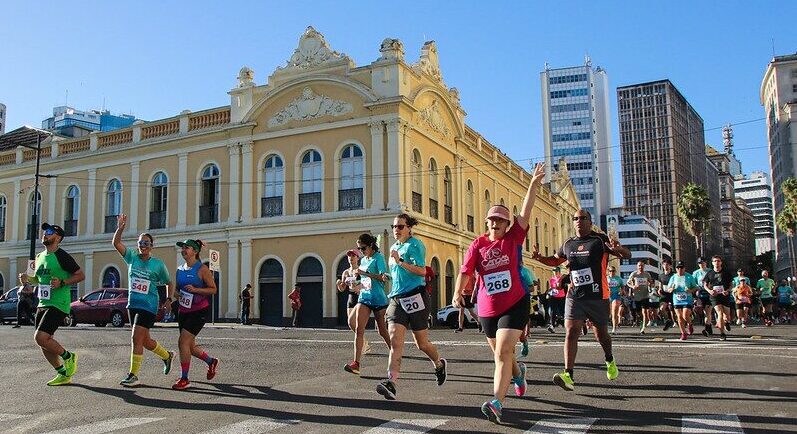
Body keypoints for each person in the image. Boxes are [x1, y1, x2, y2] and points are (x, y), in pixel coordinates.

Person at [454, 162, 544, 424]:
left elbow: (526, 210)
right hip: (487, 307)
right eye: (492, 219)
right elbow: (465, 270)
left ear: (507, 224)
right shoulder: (477, 244)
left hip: (515, 302)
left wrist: (533, 184)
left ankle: (496, 403)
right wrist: (457, 292)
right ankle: (518, 374)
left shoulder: (514, 237)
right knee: (501, 355)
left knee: (503, 353)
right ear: (487, 222)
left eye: (500, 220)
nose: (495, 223)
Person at [533, 209, 631, 392]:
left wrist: (619, 249)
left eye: (583, 218)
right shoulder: (568, 244)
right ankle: (568, 374)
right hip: (575, 295)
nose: (579, 221)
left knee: (601, 334)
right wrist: (540, 258)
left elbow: (626, 255)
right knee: (571, 332)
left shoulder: (599, 240)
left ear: (590, 221)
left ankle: (609, 359)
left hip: (597, 295)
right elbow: (555, 260)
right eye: (576, 218)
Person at [376, 214, 447, 400]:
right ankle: (391, 382)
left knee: (421, 344)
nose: (396, 230)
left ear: (409, 228)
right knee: (395, 340)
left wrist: (400, 261)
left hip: (416, 295)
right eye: (393, 227)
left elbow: (421, 271)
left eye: (400, 226)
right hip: (397, 299)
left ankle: (439, 364)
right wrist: (388, 277)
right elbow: (397, 274)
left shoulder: (415, 245)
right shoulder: (393, 248)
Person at [112, 214, 175, 387]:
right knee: (145, 341)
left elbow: (169, 282)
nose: (143, 246)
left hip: (149, 305)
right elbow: (116, 244)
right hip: (133, 304)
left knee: (135, 337)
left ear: (152, 246)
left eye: (146, 243)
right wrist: (120, 229)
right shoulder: (131, 257)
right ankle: (167, 356)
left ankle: (133, 375)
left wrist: (168, 299)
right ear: (137, 246)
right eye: (140, 243)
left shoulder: (158, 264)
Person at [19, 223, 85, 386]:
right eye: (44, 231)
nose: (45, 234)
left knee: (40, 337)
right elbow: (36, 280)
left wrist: (62, 282)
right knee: (44, 342)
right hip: (42, 302)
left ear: (58, 238)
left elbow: (80, 275)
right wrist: (26, 280)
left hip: (59, 303)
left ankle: (69, 357)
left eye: (49, 232)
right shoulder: (39, 257)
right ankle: (63, 373)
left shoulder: (62, 256)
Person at [172, 239, 219, 390]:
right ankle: (211, 361)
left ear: (195, 251)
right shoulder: (179, 269)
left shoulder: (202, 269)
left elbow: (213, 289)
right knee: (190, 347)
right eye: (183, 248)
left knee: (182, 343)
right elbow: (178, 290)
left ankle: (184, 378)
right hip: (183, 310)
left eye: (187, 248)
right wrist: (177, 294)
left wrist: (196, 290)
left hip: (199, 311)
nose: (184, 250)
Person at [343, 233, 392, 375]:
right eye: (359, 248)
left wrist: (367, 273)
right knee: (358, 329)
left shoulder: (379, 258)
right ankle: (356, 364)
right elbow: (364, 282)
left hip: (379, 299)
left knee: (382, 331)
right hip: (364, 297)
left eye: (363, 248)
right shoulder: (363, 260)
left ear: (371, 245)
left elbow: (384, 278)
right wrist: (355, 283)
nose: (362, 251)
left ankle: (394, 354)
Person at [666, 261, 698, 340]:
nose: (680, 269)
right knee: (679, 317)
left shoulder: (689, 276)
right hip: (677, 299)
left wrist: (690, 291)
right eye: (678, 268)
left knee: (685, 315)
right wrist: (672, 289)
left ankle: (690, 324)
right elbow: (668, 289)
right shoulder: (673, 277)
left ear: (684, 268)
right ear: (676, 269)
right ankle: (683, 333)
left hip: (687, 299)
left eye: (681, 268)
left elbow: (695, 287)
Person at [703, 255, 733, 341]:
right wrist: (710, 291)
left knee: (727, 315)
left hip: (724, 295)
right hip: (714, 296)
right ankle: (722, 333)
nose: (717, 262)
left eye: (718, 261)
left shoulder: (726, 272)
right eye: (715, 261)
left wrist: (728, 290)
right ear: (712, 263)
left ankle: (727, 322)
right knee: (719, 313)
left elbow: (731, 284)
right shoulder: (709, 273)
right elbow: (705, 285)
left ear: (721, 262)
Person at [627, 261, 653, 334]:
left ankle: (643, 329)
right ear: (637, 266)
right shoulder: (634, 274)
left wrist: (650, 286)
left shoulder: (647, 274)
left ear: (644, 266)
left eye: (642, 266)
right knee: (639, 312)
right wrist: (633, 286)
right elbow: (628, 283)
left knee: (645, 312)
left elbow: (650, 282)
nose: (640, 267)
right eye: (639, 266)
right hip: (636, 296)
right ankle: (642, 321)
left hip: (645, 295)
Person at [692, 259, 712, 334]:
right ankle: (708, 325)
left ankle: (707, 327)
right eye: (699, 263)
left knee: (708, 311)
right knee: (701, 311)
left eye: (702, 262)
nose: (701, 264)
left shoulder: (710, 271)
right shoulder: (696, 273)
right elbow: (693, 283)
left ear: (705, 263)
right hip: (700, 294)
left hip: (709, 293)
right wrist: (697, 288)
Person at [658, 259, 676, 332]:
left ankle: (679, 321)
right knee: (662, 308)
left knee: (675, 310)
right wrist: (659, 290)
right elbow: (660, 285)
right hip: (665, 294)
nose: (666, 266)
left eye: (667, 264)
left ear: (670, 266)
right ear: (662, 266)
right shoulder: (660, 276)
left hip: (673, 294)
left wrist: (672, 288)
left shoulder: (674, 275)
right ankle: (668, 320)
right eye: (664, 265)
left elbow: (676, 283)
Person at [546, 267, 566, 333]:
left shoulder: (562, 278)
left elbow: (562, 287)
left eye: (556, 271)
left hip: (561, 297)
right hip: (554, 297)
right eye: (554, 271)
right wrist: (548, 293)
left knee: (563, 312)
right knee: (552, 312)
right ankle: (552, 326)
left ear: (559, 272)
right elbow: (552, 287)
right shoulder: (552, 279)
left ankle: (568, 326)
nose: (555, 272)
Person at [607, 266, 624, 334]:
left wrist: (621, 291)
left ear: (615, 271)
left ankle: (614, 328)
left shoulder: (618, 278)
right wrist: (607, 290)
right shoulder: (606, 278)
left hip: (616, 296)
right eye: (610, 271)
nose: (612, 272)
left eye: (613, 271)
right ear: (608, 272)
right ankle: (611, 325)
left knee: (614, 312)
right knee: (609, 313)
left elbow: (622, 286)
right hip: (607, 296)